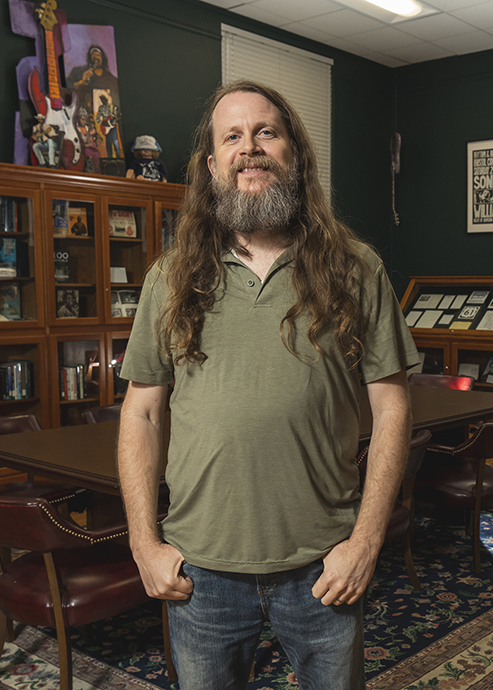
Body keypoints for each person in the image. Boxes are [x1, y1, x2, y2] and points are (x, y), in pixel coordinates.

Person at [117, 80, 417, 689]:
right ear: (211, 165)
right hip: (200, 571)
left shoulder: (356, 268)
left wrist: (365, 541)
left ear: (295, 154)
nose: (249, 148)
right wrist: (144, 543)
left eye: (266, 133)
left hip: (323, 566)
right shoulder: (171, 277)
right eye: (232, 136)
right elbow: (141, 414)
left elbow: (391, 409)